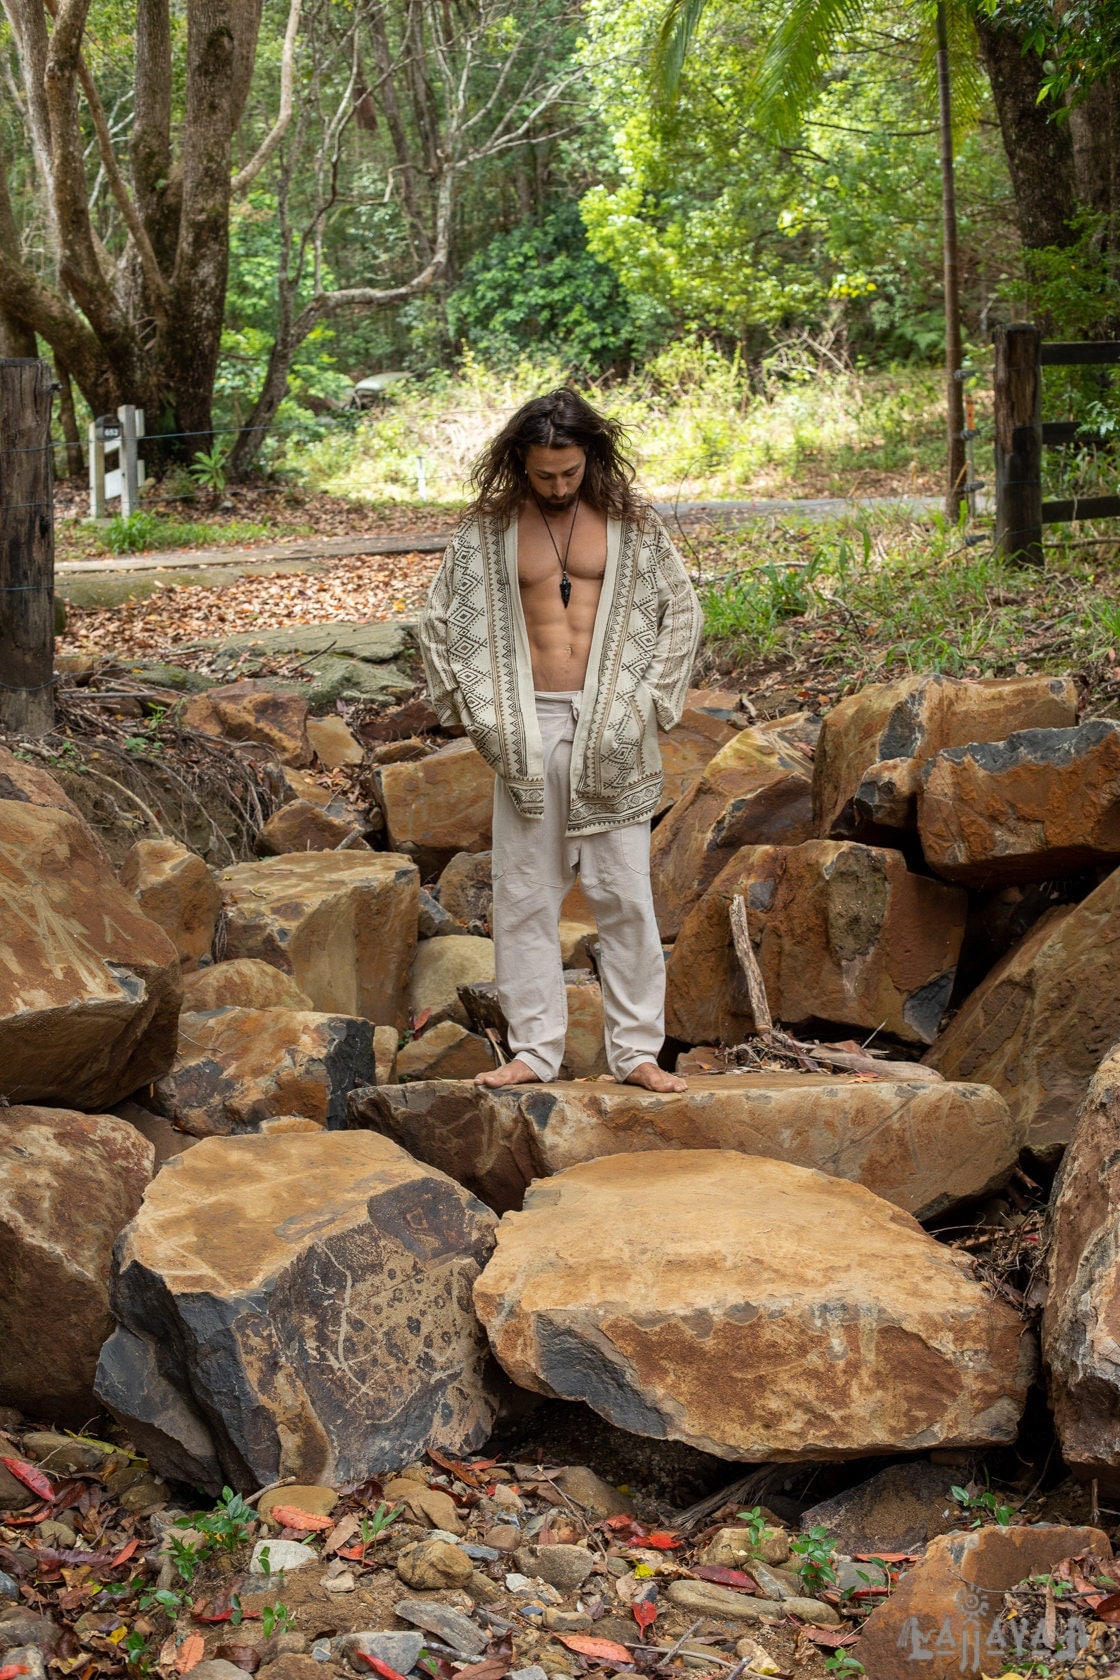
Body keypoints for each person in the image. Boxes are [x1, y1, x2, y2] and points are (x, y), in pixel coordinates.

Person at [418, 387, 702, 1092]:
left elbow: (682, 613)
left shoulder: (632, 525)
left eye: (569, 472)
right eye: (544, 474)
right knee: (525, 897)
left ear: (590, 458)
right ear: (521, 459)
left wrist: (647, 703)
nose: (557, 486)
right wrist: (478, 713)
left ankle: (636, 1054)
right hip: (526, 728)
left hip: (616, 727)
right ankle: (534, 1053)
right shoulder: (488, 532)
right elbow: (437, 621)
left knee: (625, 897)